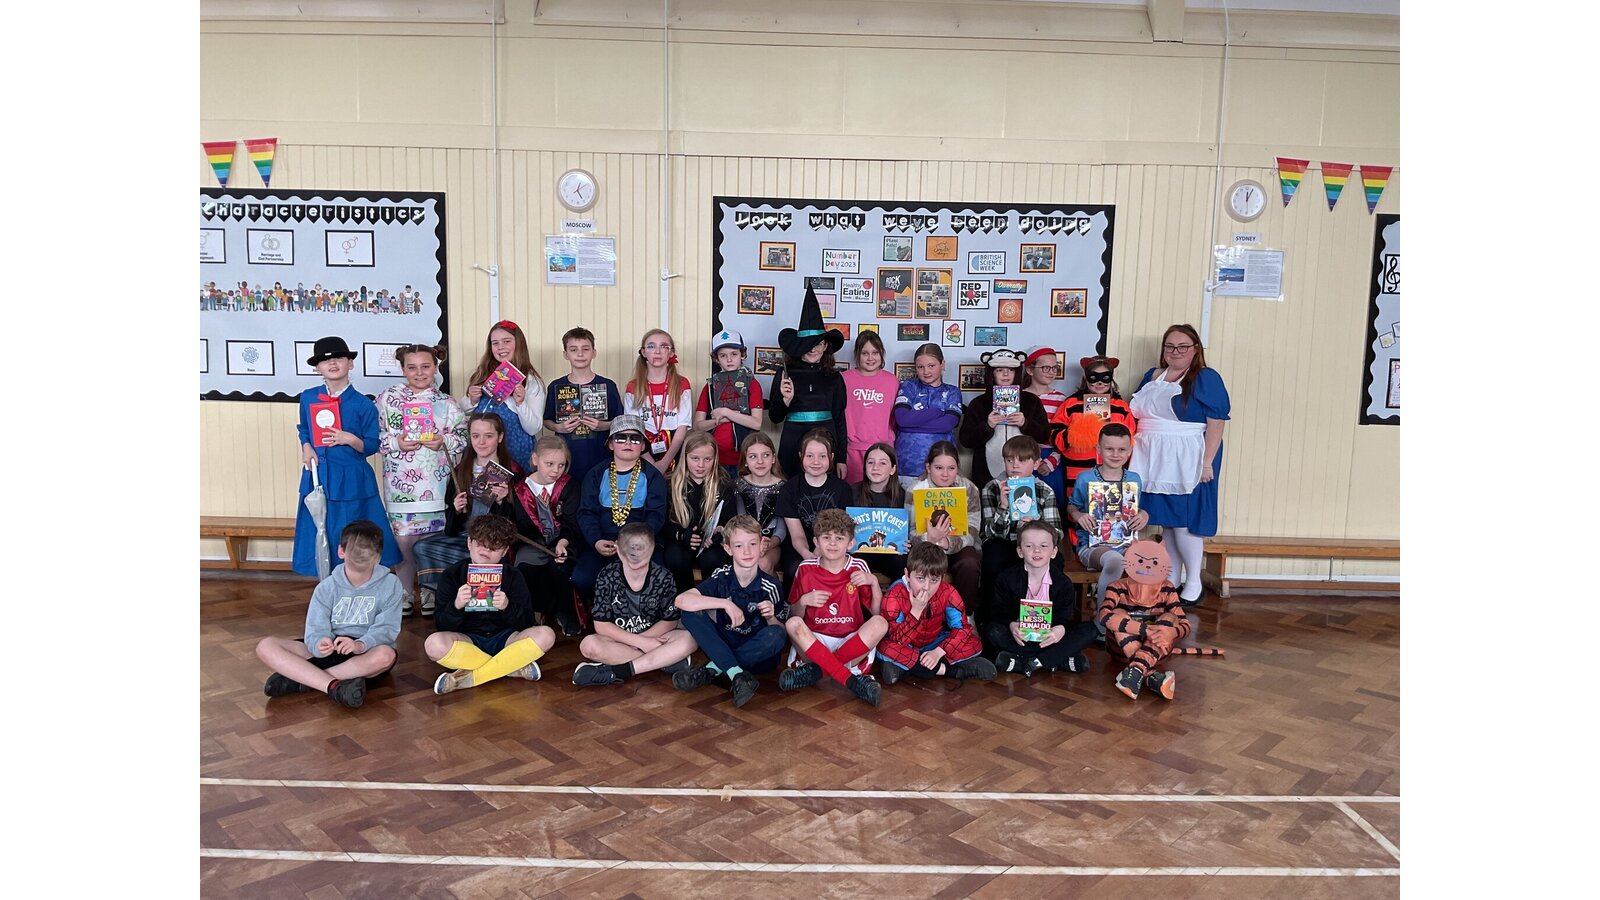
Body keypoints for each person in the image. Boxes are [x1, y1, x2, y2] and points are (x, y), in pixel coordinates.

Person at [1128, 324, 1230, 604]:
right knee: (1168, 523)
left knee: (1185, 521)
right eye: (1170, 346)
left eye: (1183, 346)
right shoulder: (1152, 375)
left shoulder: (1205, 378)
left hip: (1187, 457)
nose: (1175, 351)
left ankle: (1194, 581)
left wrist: (1207, 463)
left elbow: (1217, 422)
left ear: (1195, 350)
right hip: (1151, 456)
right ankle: (1171, 578)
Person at [256, 520, 402, 709]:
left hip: (364, 652)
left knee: (385, 655)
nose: (361, 555)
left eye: (367, 551)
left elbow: (387, 628)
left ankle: (301, 680)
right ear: (341, 551)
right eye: (356, 549)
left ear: (378, 557)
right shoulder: (326, 587)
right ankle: (335, 686)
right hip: (330, 648)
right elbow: (315, 626)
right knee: (266, 646)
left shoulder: (391, 584)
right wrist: (320, 642)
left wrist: (359, 644)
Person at [292, 337, 401, 577]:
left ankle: (356, 582)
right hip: (318, 476)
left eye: (339, 358)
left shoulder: (363, 404)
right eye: (325, 360)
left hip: (352, 481)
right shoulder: (308, 397)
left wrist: (350, 439)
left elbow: (371, 445)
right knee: (320, 531)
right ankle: (327, 585)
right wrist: (306, 446)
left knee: (350, 533)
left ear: (350, 363)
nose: (332, 364)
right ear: (317, 368)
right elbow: (304, 428)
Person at [375, 343, 466, 615]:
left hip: (436, 485)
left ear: (436, 368)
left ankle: (430, 591)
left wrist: (443, 441)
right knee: (403, 542)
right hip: (399, 485)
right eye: (412, 367)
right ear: (403, 369)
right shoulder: (386, 399)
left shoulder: (447, 403)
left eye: (425, 366)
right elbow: (373, 437)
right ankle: (405, 592)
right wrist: (396, 442)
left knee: (432, 541)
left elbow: (463, 438)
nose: (419, 373)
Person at [426, 515, 557, 695]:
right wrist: (457, 605)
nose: (486, 550)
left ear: (505, 551)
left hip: (507, 638)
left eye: (495, 547)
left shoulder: (513, 575)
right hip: (468, 640)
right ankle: (511, 666)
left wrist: (507, 607)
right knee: (433, 645)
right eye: (481, 543)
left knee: (546, 635)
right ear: (469, 543)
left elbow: (527, 622)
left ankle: (468, 678)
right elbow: (441, 624)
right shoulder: (452, 575)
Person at [671, 515, 791, 708]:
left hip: (757, 656)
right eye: (739, 546)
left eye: (753, 544)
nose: (747, 551)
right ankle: (736, 674)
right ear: (728, 549)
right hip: (726, 642)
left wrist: (770, 617)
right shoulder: (722, 576)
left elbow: (781, 633)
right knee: (690, 613)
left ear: (762, 545)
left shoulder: (771, 586)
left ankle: (713, 669)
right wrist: (725, 604)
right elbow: (681, 600)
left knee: (776, 634)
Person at [412, 412, 522, 613]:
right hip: (465, 538)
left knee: (484, 556)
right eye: (475, 436)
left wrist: (503, 501)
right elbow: (451, 529)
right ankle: (445, 593)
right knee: (421, 547)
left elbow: (520, 523)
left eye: (488, 436)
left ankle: (476, 589)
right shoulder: (461, 470)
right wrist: (456, 509)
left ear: (500, 437)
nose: (481, 442)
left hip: (494, 542)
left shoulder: (513, 471)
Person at [779, 509, 886, 706]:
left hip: (850, 642)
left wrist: (873, 583)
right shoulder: (806, 569)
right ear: (816, 542)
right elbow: (795, 614)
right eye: (826, 537)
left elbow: (876, 612)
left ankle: (819, 671)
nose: (833, 543)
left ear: (851, 543)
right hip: (815, 641)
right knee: (793, 623)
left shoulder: (858, 567)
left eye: (839, 538)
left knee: (880, 623)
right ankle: (851, 681)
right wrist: (803, 601)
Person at [572, 523, 697, 686]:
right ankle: (666, 661)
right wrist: (640, 643)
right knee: (589, 645)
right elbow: (601, 625)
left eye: (642, 562)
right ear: (618, 550)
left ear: (652, 549)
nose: (636, 568)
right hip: (622, 640)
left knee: (691, 638)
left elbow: (670, 621)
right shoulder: (606, 576)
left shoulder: (663, 576)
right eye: (631, 561)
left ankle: (616, 671)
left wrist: (645, 640)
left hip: (655, 638)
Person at [573, 415, 669, 604]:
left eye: (635, 438)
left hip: (641, 543)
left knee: (653, 579)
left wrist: (635, 543)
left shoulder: (653, 476)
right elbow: (586, 512)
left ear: (643, 445)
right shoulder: (596, 474)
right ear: (610, 444)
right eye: (620, 437)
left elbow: (656, 515)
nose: (628, 442)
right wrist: (596, 541)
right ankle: (599, 616)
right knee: (583, 578)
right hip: (603, 541)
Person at [985, 521, 1096, 676]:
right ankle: (1056, 660)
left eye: (1044, 546)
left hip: (1050, 638)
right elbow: (998, 612)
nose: (1037, 550)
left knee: (1090, 629)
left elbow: (1065, 616)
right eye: (1029, 546)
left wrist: (1059, 630)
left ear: (1054, 551)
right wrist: (1012, 626)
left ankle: (1028, 662)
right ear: (1020, 551)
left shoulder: (1063, 583)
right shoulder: (1006, 578)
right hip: (1021, 638)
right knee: (993, 631)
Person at [876, 543, 996, 686]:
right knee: (884, 647)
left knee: (975, 643)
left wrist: (939, 652)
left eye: (934, 580)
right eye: (920, 578)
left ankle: (907, 667)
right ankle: (949, 670)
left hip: (934, 642)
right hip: (906, 645)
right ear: (907, 575)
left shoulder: (948, 592)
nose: (926, 587)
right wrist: (915, 612)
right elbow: (897, 640)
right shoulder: (895, 595)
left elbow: (962, 628)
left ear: (942, 578)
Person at [506, 434, 585, 637]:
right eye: (549, 464)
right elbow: (515, 524)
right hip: (532, 543)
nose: (555, 471)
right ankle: (529, 614)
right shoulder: (519, 489)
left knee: (560, 568)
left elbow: (571, 523)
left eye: (561, 465)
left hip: (564, 541)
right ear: (535, 459)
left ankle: (564, 612)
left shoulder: (570, 486)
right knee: (523, 570)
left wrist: (563, 542)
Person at [978, 434, 1064, 617]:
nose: (1015, 466)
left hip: (1033, 546)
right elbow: (989, 534)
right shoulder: (992, 488)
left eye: (1022, 460)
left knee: (1055, 560)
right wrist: (1003, 507)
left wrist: (1036, 527)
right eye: (1009, 460)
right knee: (993, 555)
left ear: (1036, 463)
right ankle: (992, 618)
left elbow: (1056, 533)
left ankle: (1046, 617)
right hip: (1003, 543)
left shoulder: (1044, 490)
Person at [767, 286, 848, 479]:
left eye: (817, 344)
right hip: (792, 442)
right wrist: (786, 400)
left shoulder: (835, 377)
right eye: (807, 345)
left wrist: (841, 458)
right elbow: (775, 417)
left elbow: (840, 420)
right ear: (799, 346)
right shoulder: (785, 374)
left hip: (827, 443)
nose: (812, 350)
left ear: (825, 345)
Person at [1066, 423, 1149, 607]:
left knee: (1147, 559)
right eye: (1109, 449)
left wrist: (1144, 515)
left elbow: (1136, 509)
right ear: (1098, 449)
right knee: (1115, 561)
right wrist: (1078, 515)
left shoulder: (1134, 479)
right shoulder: (1085, 478)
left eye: (1122, 449)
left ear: (1129, 451)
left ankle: (1136, 612)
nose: (1115, 454)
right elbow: (1071, 506)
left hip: (1126, 543)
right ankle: (1103, 616)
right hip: (1092, 545)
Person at [1098, 539, 1189, 700]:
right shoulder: (1116, 586)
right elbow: (1104, 616)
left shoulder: (1168, 588)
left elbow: (1185, 625)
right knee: (1117, 613)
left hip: (1159, 651)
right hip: (1121, 651)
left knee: (1170, 617)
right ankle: (1148, 674)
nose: (1147, 566)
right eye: (1140, 561)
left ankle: (1136, 672)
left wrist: (1171, 633)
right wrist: (1146, 630)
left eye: (1154, 562)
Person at [1049, 356, 1137, 519]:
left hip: (1113, 473)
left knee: (1111, 517)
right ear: (1085, 378)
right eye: (1094, 377)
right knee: (1077, 512)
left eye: (1105, 377)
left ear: (1111, 379)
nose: (1099, 383)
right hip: (1077, 471)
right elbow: (1055, 438)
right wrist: (1078, 432)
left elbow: (1130, 439)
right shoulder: (1070, 404)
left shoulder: (1121, 407)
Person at [459, 320, 546, 473]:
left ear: (519, 344)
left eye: (506, 341)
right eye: (495, 343)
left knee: (511, 486)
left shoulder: (532, 382)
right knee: (479, 487)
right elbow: (461, 412)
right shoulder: (482, 374)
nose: (500, 347)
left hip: (516, 452)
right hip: (481, 452)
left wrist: (520, 403)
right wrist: (471, 400)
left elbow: (533, 428)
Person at [957, 348, 1049, 490]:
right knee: (989, 501)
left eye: (1011, 370)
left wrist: (1025, 424)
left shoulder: (1031, 401)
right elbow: (966, 440)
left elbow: (1044, 435)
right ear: (991, 374)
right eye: (999, 370)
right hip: (986, 472)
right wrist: (987, 426)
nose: (1006, 374)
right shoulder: (979, 403)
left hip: (1024, 471)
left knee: (1023, 502)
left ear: (1017, 372)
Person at [906, 441, 982, 607]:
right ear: (928, 468)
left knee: (969, 563)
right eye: (939, 468)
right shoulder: (916, 489)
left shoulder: (969, 489)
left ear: (958, 468)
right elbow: (910, 530)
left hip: (958, 544)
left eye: (951, 468)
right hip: (925, 545)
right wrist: (930, 538)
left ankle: (966, 613)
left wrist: (947, 542)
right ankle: (919, 609)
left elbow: (973, 530)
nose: (945, 474)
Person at [776, 428, 856, 585]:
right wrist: (809, 556)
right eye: (809, 456)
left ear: (831, 457)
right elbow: (797, 535)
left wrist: (824, 551)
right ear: (801, 456)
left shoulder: (843, 489)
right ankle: (796, 601)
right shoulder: (788, 489)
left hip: (834, 543)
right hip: (800, 547)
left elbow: (842, 529)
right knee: (794, 569)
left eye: (822, 456)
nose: (816, 462)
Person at [543, 326, 622, 482]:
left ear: (594, 352)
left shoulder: (608, 386)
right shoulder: (555, 386)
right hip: (567, 458)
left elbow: (620, 421)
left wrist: (603, 426)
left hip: (600, 457)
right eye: (573, 350)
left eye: (585, 349)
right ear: (565, 354)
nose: (580, 354)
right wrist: (559, 428)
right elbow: (547, 420)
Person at [662, 432, 735, 590]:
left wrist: (718, 535)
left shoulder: (724, 484)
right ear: (685, 457)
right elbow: (665, 522)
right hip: (681, 540)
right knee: (676, 558)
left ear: (715, 459)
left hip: (711, 543)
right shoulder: (670, 483)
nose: (701, 465)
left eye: (707, 459)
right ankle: (684, 599)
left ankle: (710, 600)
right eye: (695, 458)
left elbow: (729, 520)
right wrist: (681, 535)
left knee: (713, 559)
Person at [693, 329, 765, 480]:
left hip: (744, 459)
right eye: (723, 355)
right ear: (716, 359)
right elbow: (698, 426)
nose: (729, 359)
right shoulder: (710, 387)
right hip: (715, 459)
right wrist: (724, 419)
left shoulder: (752, 384)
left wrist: (726, 412)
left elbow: (756, 423)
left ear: (742, 355)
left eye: (734, 354)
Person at [893, 343, 963, 490]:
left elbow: (947, 424)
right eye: (920, 367)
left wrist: (911, 424)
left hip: (942, 470)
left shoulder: (952, 391)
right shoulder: (909, 386)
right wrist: (935, 412)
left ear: (942, 364)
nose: (926, 371)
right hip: (907, 466)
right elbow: (901, 419)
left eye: (931, 366)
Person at [624, 329, 694, 474]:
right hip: (643, 450)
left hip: (674, 450)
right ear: (643, 352)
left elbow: (682, 427)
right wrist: (651, 462)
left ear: (671, 353)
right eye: (651, 346)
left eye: (664, 346)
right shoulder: (633, 387)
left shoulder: (682, 384)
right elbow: (632, 427)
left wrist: (665, 462)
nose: (657, 351)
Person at [841, 331, 899, 483]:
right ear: (857, 354)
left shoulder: (892, 381)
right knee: (854, 493)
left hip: (883, 450)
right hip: (853, 451)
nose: (870, 358)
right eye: (865, 353)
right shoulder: (844, 379)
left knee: (881, 492)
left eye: (875, 353)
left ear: (882, 354)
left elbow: (895, 418)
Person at [850, 442, 911, 584]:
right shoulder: (852, 492)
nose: (875, 467)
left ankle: (897, 596)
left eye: (882, 463)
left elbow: (910, 530)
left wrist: (909, 542)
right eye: (870, 462)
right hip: (860, 553)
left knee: (902, 561)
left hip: (892, 555)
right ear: (865, 467)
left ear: (892, 469)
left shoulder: (903, 496)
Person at [732, 431, 787, 576]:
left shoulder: (783, 487)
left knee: (762, 563)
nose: (760, 461)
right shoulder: (739, 485)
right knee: (746, 562)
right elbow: (741, 520)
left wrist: (768, 544)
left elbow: (781, 529)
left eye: (766, 455)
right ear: (745, 460)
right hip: (746, 542)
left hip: (773, 543)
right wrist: (753, 544)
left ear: (773, 458)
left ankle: (774, 590)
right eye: (753, 456)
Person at [1021, 346, 1071, 506]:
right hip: (1023, 456)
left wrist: (1051, 462)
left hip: (1051, 460)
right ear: (1030, 370)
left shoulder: (1062, 399)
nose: (1051, 372)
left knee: (1051, 504)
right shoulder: (1020, 398)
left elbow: (1065, 435)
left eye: (1055, 368)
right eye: (1045, 368)